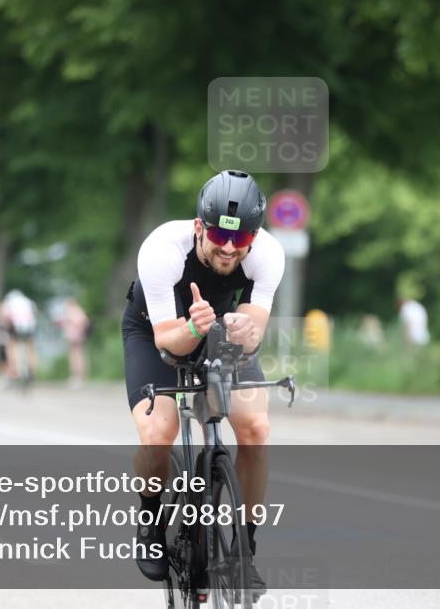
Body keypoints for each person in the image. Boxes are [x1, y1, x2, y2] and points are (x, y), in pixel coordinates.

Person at [121, 170, 284, 595]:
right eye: (218, 235)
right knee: (159, 433)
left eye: (241, 239)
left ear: (255, 235)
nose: (229, 248)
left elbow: (255, 327)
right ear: (199, 227)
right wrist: (193, 330)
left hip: (219, 332)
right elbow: (167, 343)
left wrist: (246, 333)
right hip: (156, 330)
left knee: (256, 428)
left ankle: (244, 551)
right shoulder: (162, 250)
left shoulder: (267, 255)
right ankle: (150, 518)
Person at [2, 289, 38, 383]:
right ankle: (32, 370)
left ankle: (13, 370)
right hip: (29, 326)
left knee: (10, 345)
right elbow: (35, 312)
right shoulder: (28, 301)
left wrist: (6, 327)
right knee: (30, 347)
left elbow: (5, 315)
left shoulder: (9, 302)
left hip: (16, 326)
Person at [57, 297, 90, 388]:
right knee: (75, 356)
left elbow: (82, 322)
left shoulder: (74, 311)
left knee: (77, 356)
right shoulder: (76, 311)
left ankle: (79, 377)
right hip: (74, 337)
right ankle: (77, 376)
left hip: (75, 337)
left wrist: (72, 324)